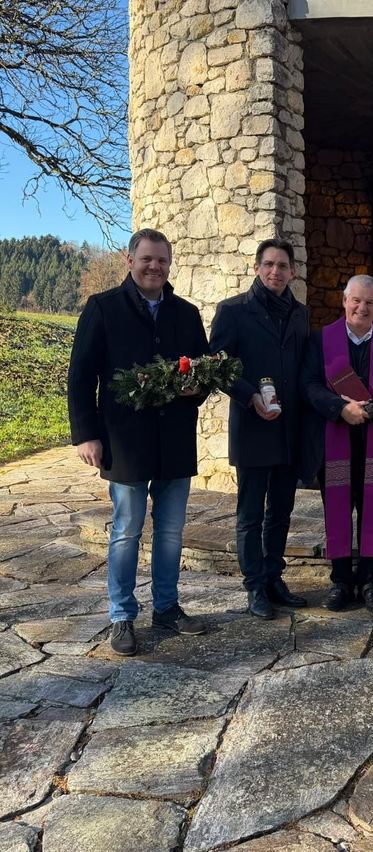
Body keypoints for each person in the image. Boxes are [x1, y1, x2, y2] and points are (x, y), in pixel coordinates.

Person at [67, 228, 208, 656]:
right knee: (127, 531)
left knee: (170, 532)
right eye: (147, 259)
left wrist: (195, 389)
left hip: (174, 441)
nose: (155, 267)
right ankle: (121, 615)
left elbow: (204, 372)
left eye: (162, 261)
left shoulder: (185, 313)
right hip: (125, 442)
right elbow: (80, 376)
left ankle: (166, 607)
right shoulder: (103, 308)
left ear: (169, 265)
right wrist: (86, 434)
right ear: (130, 261)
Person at [209, 238, 310, 620]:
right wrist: (250, 395)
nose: (275, 272)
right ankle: (254, 586)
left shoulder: (300, 314)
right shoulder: (233, 311)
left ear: (293, 272)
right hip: (253, 426)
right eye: (268, 264)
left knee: (281, 510)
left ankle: (273, 577)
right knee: (250, 512)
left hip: (289, 428)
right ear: (256, 268)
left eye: (283, 266)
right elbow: (219, 365)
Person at [302, 275, 373, 613]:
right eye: (356, 300)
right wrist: (341, 409)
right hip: (335, 436)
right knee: (337, 509)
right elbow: (310, 385)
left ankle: (370, 581)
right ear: (344, 301)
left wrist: (370, 410)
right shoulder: (322, 340)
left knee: (372, 512)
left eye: (369, 303)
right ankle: (340, 581)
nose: (361, 307)